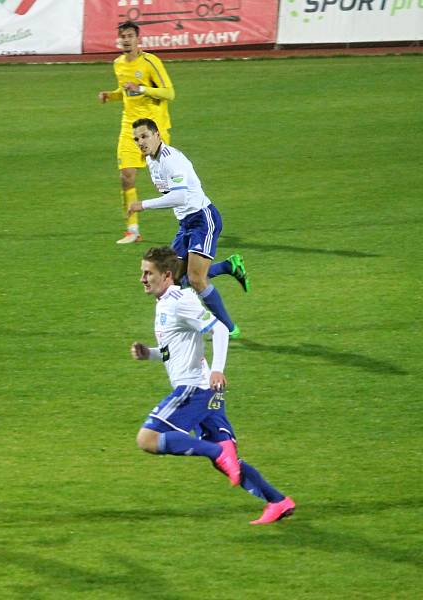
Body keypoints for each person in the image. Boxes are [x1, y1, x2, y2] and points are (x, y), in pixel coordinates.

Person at [131, 246, 295, 525]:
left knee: (147, 439)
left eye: (148, 273)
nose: (142, 279)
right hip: (207, 393)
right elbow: (174, 349)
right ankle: (278, 501)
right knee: (227, 463)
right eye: (142, 273)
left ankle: (218, 451)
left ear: (167, 275)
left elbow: (219, 328)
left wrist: (218, 369)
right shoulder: (165, 303)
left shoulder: (179, 301)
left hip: (195, 389)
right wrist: (151, 353)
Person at [127, 117, 248, 338]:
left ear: (157, 136)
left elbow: (181, 196)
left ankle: (230, 329)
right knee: (174, 277)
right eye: (136, 139)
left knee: (195, 279)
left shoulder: (170, 159)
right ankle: (229, 267)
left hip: (203, 219)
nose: (141, 142)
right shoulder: (151, 161)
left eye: (144, 136)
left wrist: (142, 205)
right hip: (186, 224)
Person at [98, 19, 175, 245]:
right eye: (123, 36)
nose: (126, 40)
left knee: (166, 184)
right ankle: (132, 230)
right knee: (126, 176)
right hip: (129, 127)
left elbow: (169, 93)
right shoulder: (118, 64)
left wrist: (141, 88)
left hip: (154, 129)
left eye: (130, 36)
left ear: (137, 38)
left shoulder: (151, 62)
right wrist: (110, 96)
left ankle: (192, 217)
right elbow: (124, 92)